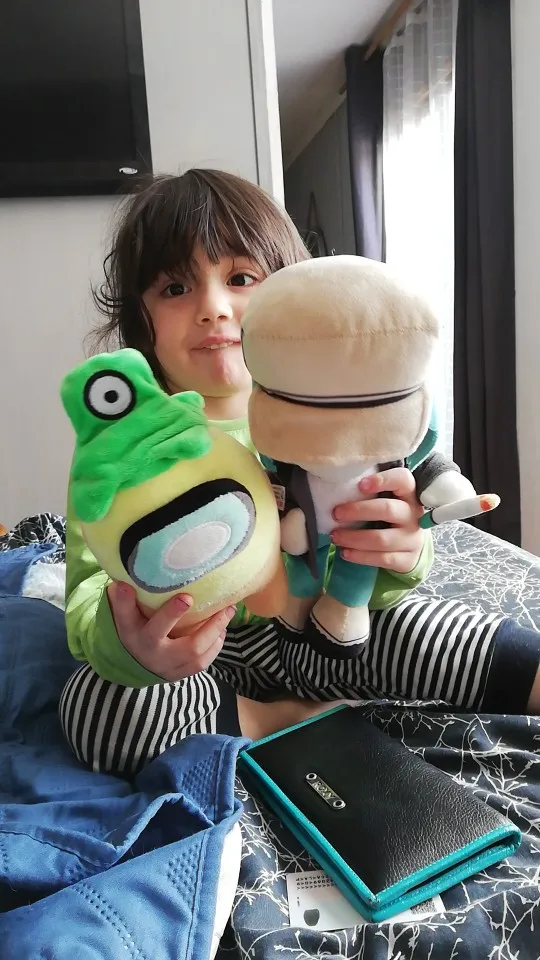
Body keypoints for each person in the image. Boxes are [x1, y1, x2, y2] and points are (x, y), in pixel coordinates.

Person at [60, 169, 540, 776]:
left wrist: (401, 552)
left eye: (241, 279)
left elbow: (381, 569)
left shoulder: (337, 416)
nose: (213, 309)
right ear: (140, 317)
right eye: (175, 288)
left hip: (326, 623)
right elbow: (87, 590)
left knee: (429, 630)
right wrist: (133, 645)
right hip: (201, 655)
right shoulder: (124, 447)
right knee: (98, 709)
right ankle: (273, 719)